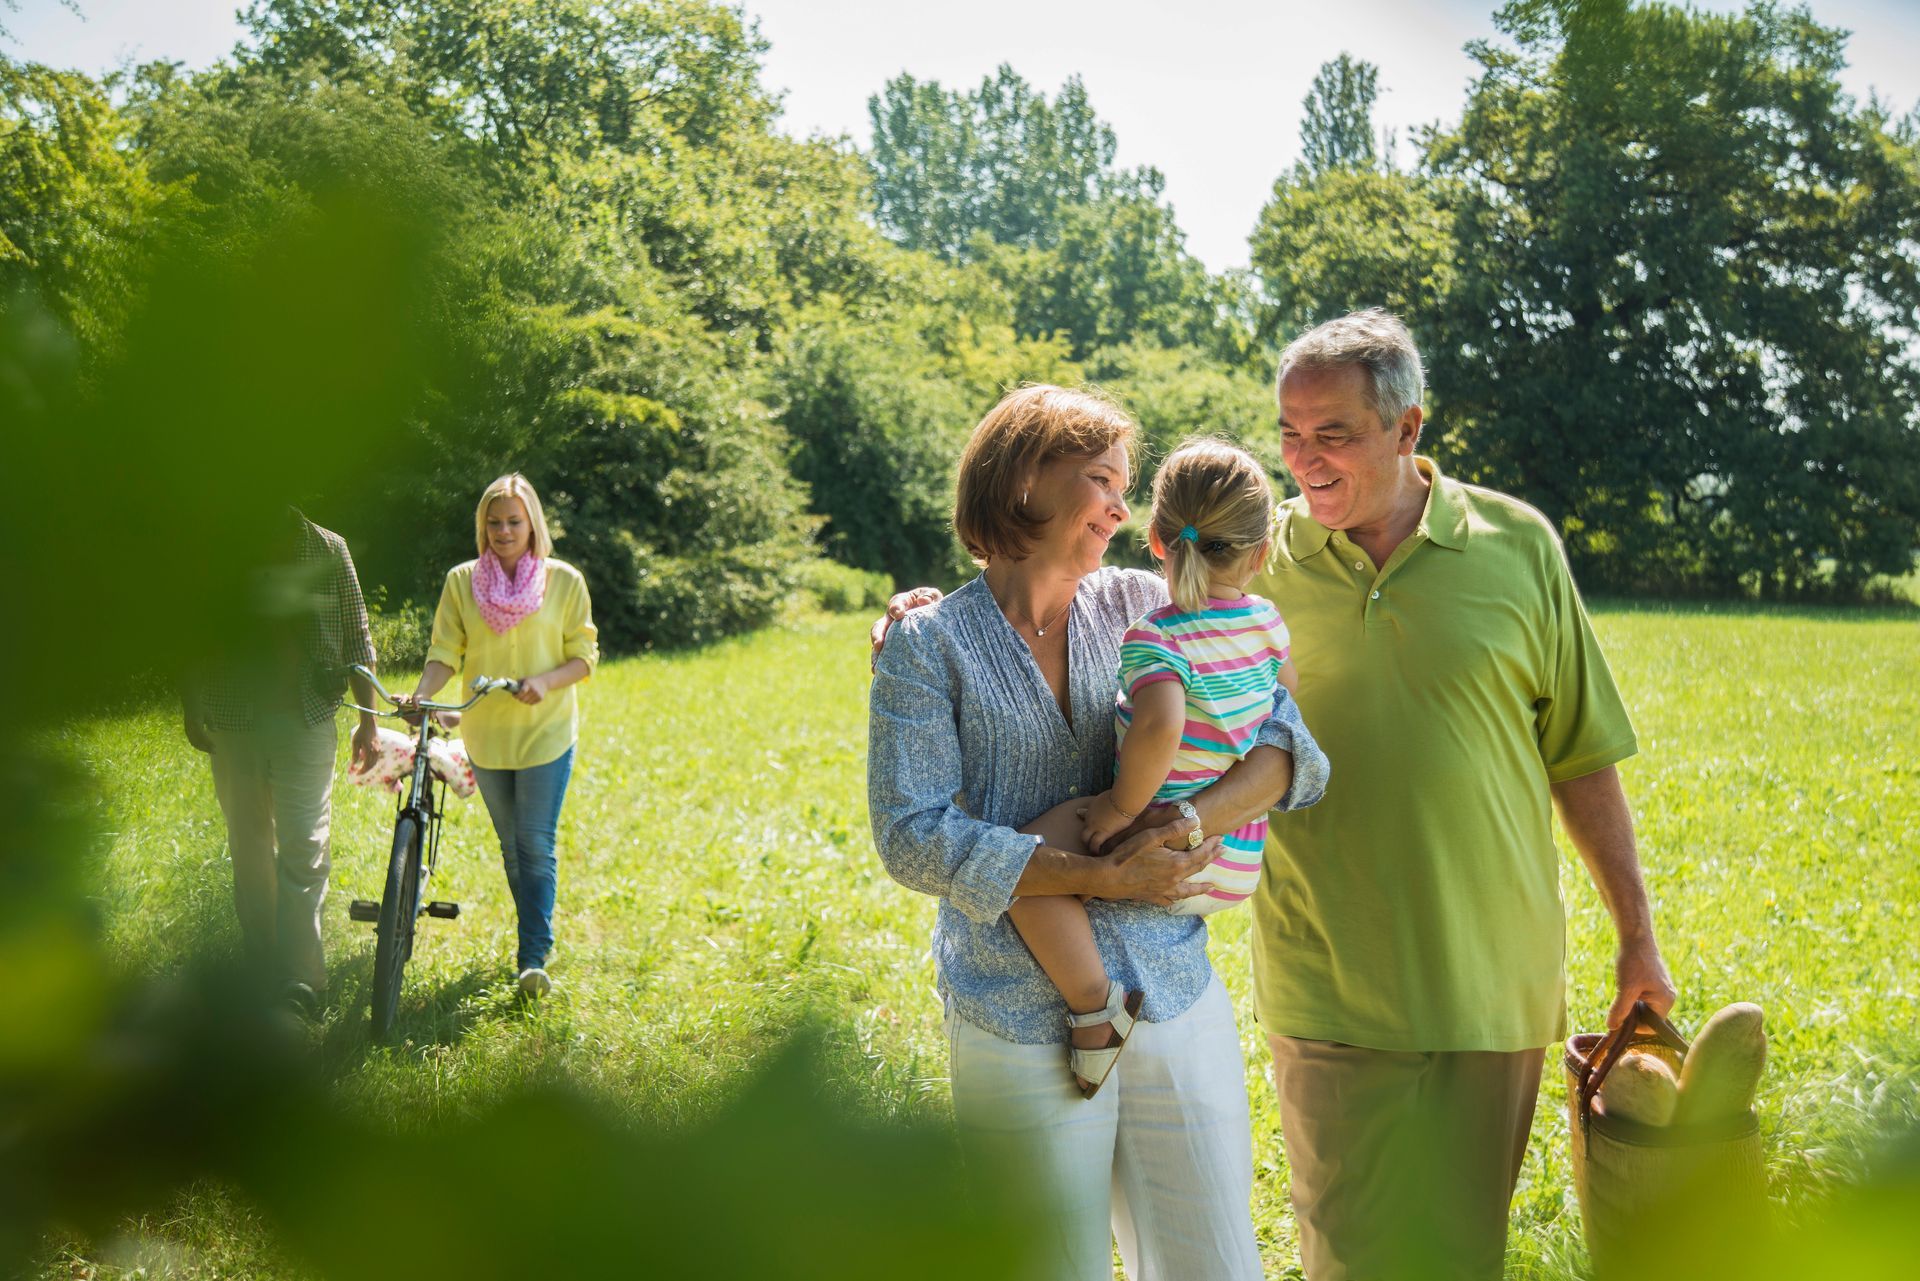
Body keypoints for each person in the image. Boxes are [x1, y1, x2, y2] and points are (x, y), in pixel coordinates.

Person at [1250, 309, 1676, 1279]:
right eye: (1288, 433)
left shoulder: (1516, 547)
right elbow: (1110, 611)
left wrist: (1637, 938)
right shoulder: (1256, 561)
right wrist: (949, 614)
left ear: (1407, 430)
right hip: (1330, 980)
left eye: (1333, 435)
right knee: (1349, 1257)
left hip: (1493, 984)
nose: (1303, 460)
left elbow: (1581, 755)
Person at [867, 385, 1328, 1281]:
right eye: (1102, 480)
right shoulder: (931, 642)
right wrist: (1099, 875)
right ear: (1026, 479)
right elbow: (911, 835)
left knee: (1216, 1265)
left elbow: (1287, 746)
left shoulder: (1139, 601)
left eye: (1127, 486)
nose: (1124, 507)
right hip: (1014, 1010)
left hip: (1173, 985)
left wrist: (1190, 819)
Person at [1008, 438, 1298, 1097]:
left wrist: (1117, 808)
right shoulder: (1269, 624)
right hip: (1234, 856)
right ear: (1260, 552)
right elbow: (1287, 706)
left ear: (1159, 538)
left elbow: (1161, 725)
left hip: (1159, 839)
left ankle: (1095, 1006)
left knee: (1021, 862)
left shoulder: (1157, 635)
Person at [401, 474, 598, 998]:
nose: (504, 531)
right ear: (482, 526)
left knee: (535, 843)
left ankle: (532, 956)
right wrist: (423, 695)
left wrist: (545, 681)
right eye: (494, 522)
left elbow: (584, 656)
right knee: (512, 850)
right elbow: (444, 652)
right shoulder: (462, 581)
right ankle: (532, 938)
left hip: (546, 732)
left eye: (514, 521)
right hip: (486, 734)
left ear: (533, 524)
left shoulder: (564, 581)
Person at [183, 507, 380, 1015]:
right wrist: (190, 704)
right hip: (233, 716)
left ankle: (302, 983)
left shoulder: (328, 547)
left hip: (306, 716)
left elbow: (358, 634)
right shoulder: (216, 546)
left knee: (305, 848)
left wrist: (370, 721)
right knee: (249, 847)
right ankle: (263, 966)